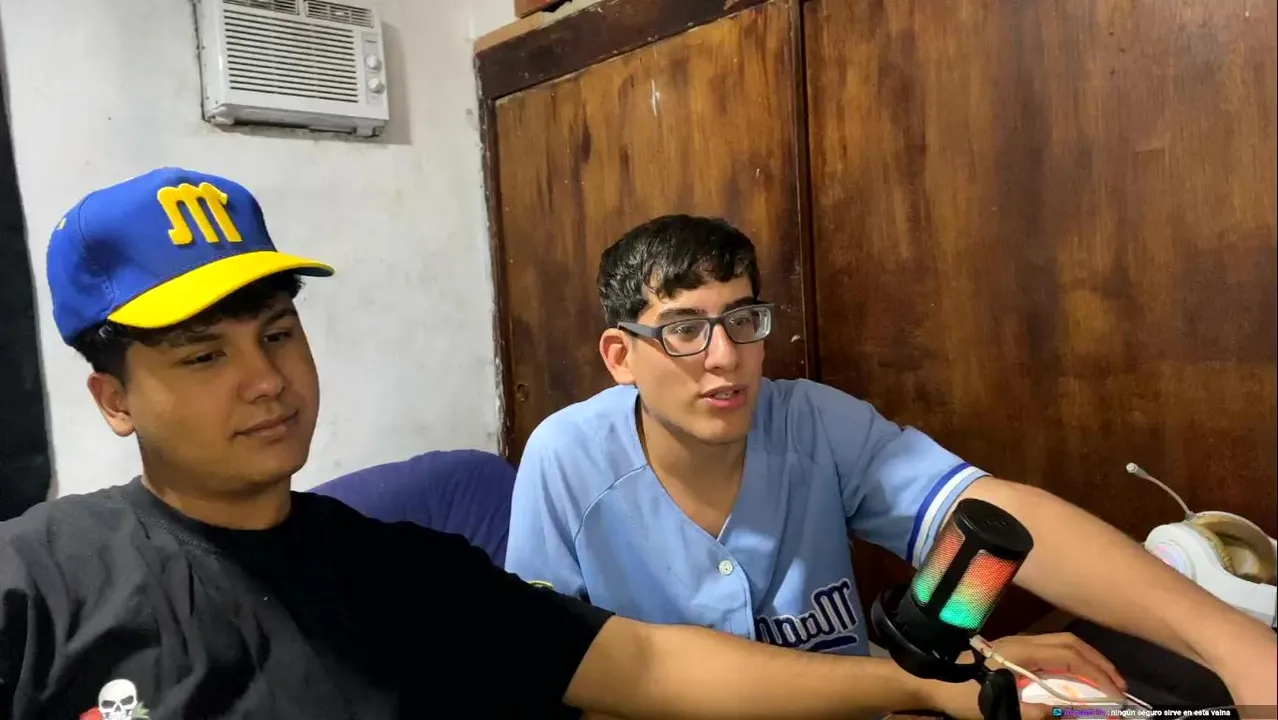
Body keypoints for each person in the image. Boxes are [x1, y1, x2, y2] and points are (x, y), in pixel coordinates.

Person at [0, 168, 1117, 720]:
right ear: (114, 399)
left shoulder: (404, 575)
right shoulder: (37, 585)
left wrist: (925, 688)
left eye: (279, 333)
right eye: (203, 355)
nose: (265, 380)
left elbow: (642, 662)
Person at [504, 214, 1278, 710]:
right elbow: (562, 677)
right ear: (620, 356)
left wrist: (1235, 645)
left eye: (743, 319)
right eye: (684, 330)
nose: (725, 357)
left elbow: (995, 517)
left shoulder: (813, 422)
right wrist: (927, 686)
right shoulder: (567, 460)